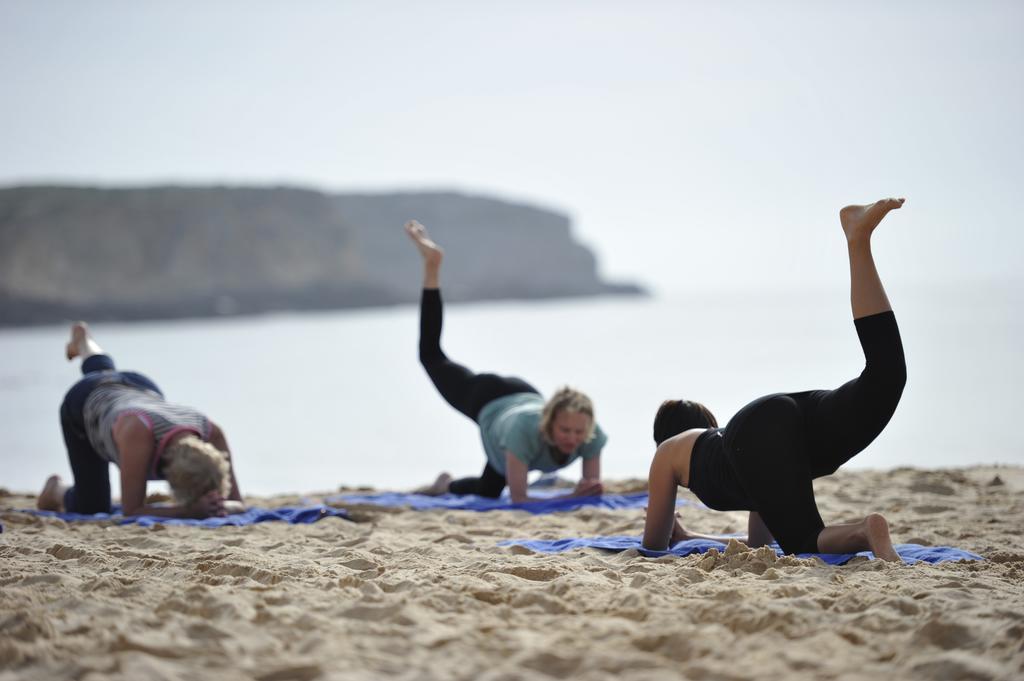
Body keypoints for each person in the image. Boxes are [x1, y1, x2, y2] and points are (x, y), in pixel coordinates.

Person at [642, 198, 908, 561]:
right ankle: (857, 240)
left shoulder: (668, 452)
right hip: (788, 420)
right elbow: (759, 545)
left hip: (763, 430)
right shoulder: (751, 463)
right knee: (885, 376)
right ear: (711, 425)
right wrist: (691, 534)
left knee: (804, 540)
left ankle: (863, 531)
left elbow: (653, 546)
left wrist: (673, 534)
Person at [405, 220, 607, 503]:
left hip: (525, 395)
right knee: (430, 354)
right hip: (487, 398)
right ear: (548, 423)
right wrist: (570, 498)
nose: (572, 438)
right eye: (564, 430)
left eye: (577, 431)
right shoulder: (523, 431)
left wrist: (584, 492)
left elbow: (590, 491)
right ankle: (432, 266)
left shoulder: (592, 436)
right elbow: (520, 500)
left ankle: (444, 485)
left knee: (489, 489)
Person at [36, 322, 244, 518]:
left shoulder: (212, 433)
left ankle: (85, 344)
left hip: (141, 387)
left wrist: (221, 505)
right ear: (169, 474)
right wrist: (189, 511)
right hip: (85, 402)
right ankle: (55, 489)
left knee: (105, 373)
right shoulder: (138, 435)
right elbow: (132, 510)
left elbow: (238, 503)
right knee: (93, 506)